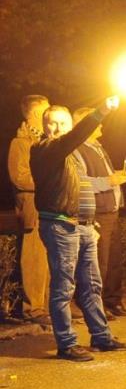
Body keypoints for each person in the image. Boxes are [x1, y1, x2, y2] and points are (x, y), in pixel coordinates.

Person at [29, 97, 126, 361]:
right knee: (64, 287)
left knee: (92, 285)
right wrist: (103, 109)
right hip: (61, 225)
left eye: (62, 123)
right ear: (44, 126)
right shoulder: (44, 149)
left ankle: (101, 336)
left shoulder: (71, 154)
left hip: (83, 226)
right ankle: (66, 344)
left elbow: (82, 187)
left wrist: (91, 221)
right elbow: (77, 135)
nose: (57, 128)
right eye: (52, 123)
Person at [72, 107, 126, 317]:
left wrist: (114, 176)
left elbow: (103, 177)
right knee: (99, 263)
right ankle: (94, 306)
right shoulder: (77, 150)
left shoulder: (97, 147)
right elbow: (80, 182)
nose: (101, 125)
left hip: (111, 212)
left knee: (113, 261)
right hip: (97, 212)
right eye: (96, 121)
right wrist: (109, 181)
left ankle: (112, 301)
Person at [8, 94, 52, 325]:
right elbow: (19, 178)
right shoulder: (21, 143)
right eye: (46, 110)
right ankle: (33, 309)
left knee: (48, 261)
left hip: (47, 207)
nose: (50, 114)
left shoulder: (43, 141)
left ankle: (47, 307)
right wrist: (49, 181)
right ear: (35, 113)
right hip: (32, 210)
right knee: (34, 261)